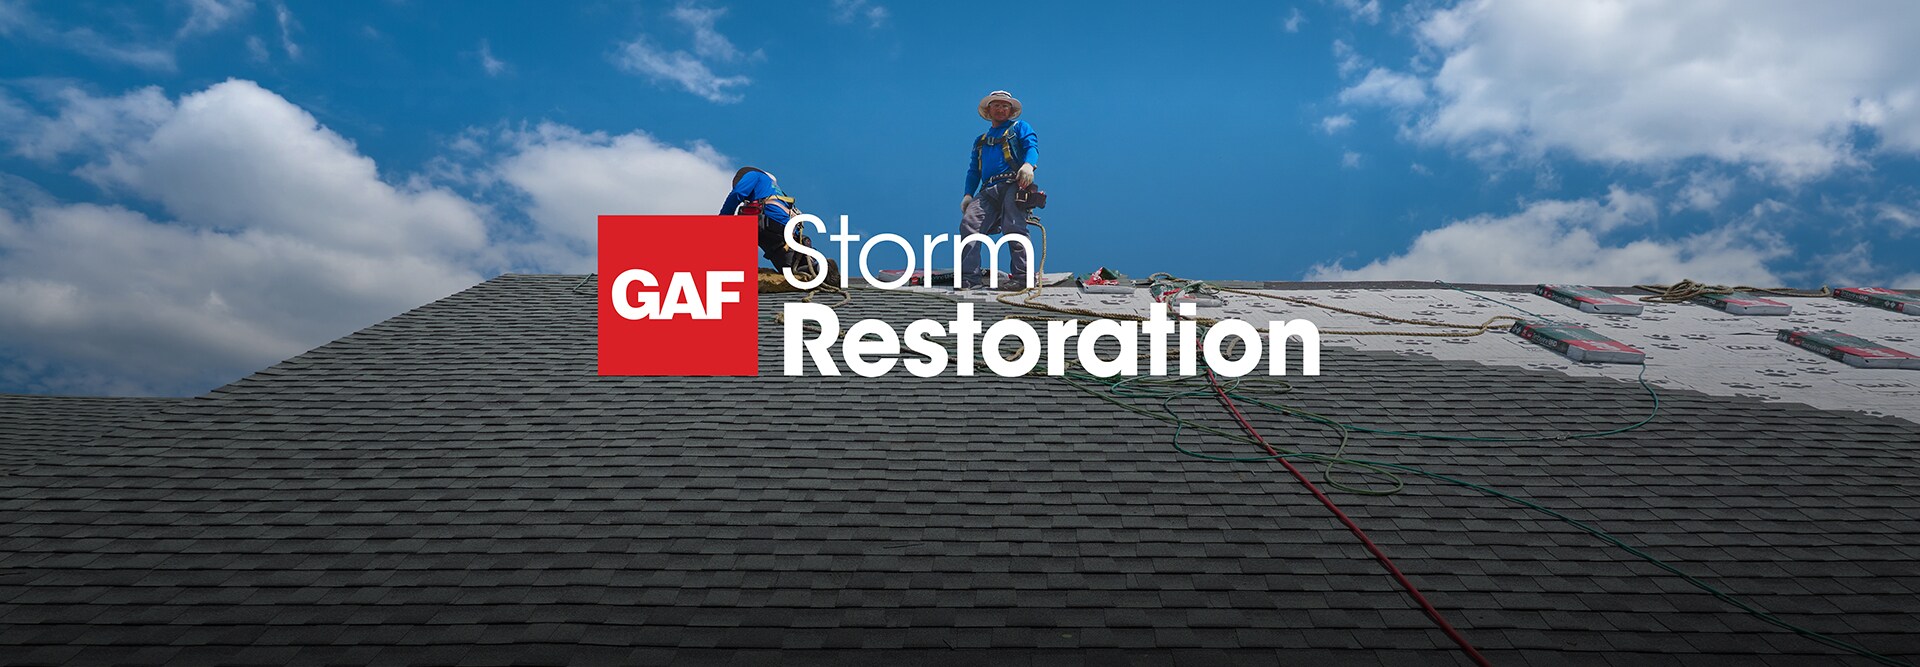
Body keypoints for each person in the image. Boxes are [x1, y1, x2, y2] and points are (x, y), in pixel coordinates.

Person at [959, 90, 1039, 289]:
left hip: (1013, 183)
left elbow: (1031, 147)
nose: (1001, 109)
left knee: (1014, 227)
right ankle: (968, 278)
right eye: (997, 105)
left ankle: (1023, 279)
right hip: (988, 189)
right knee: (969, 225)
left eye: (1005, 105)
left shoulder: (1019, 127)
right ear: (989, 109)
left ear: (1011, 110)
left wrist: (1028, 165)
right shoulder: (981, 141)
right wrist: (968, 194)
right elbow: (973, 170)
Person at [721, 166, 831, 282]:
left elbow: (737, 193)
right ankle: (821, 270)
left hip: (766, 220)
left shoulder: (755, 175)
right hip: (784, 234)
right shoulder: (779, 194)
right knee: (791, 269)